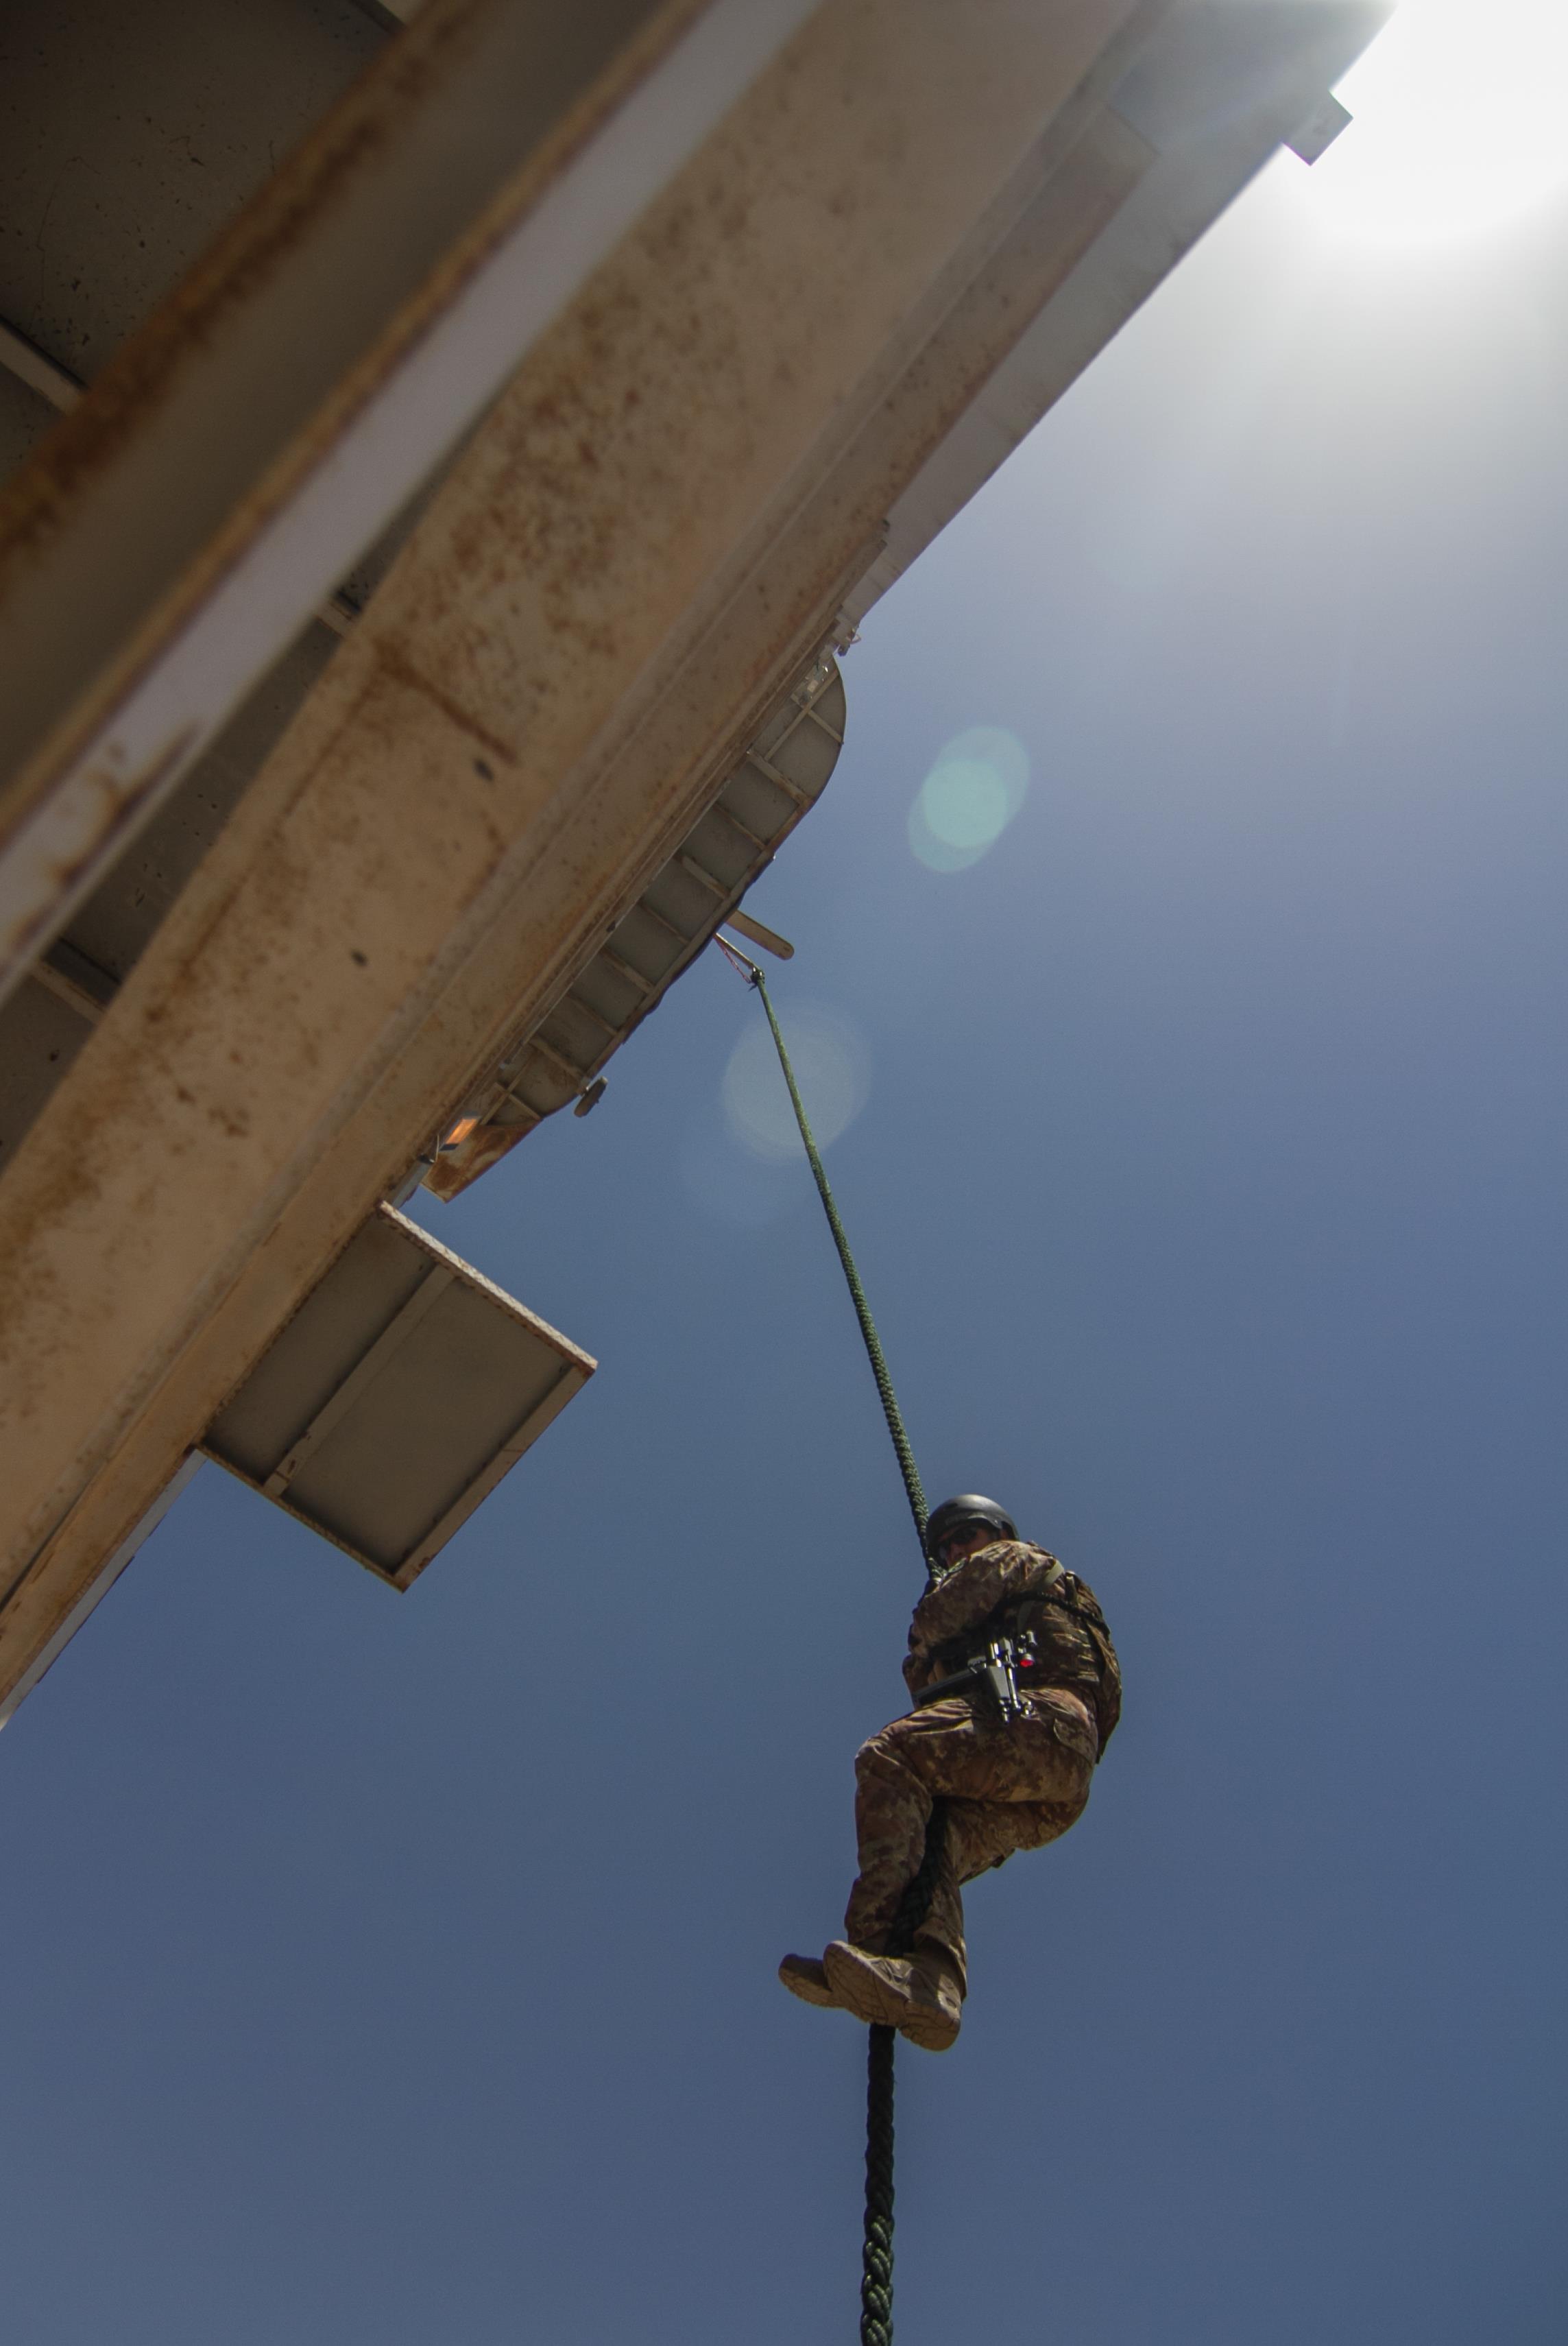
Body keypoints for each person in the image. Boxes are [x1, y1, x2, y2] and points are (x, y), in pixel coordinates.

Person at [778, 1495, 1120, 2052]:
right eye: (946, 1546)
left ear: (996, 1532)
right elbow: (928, 1690)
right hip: (1046, 1782)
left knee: (888, 1755)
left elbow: (935, 1623)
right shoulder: (1001, 1612)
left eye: (967, 1536)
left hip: (1042, 1726)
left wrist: (928, 1629)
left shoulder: (1015, 1558)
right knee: (934, 1843)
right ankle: (928, 1980)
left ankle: (872, 1943)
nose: (956, 1550)